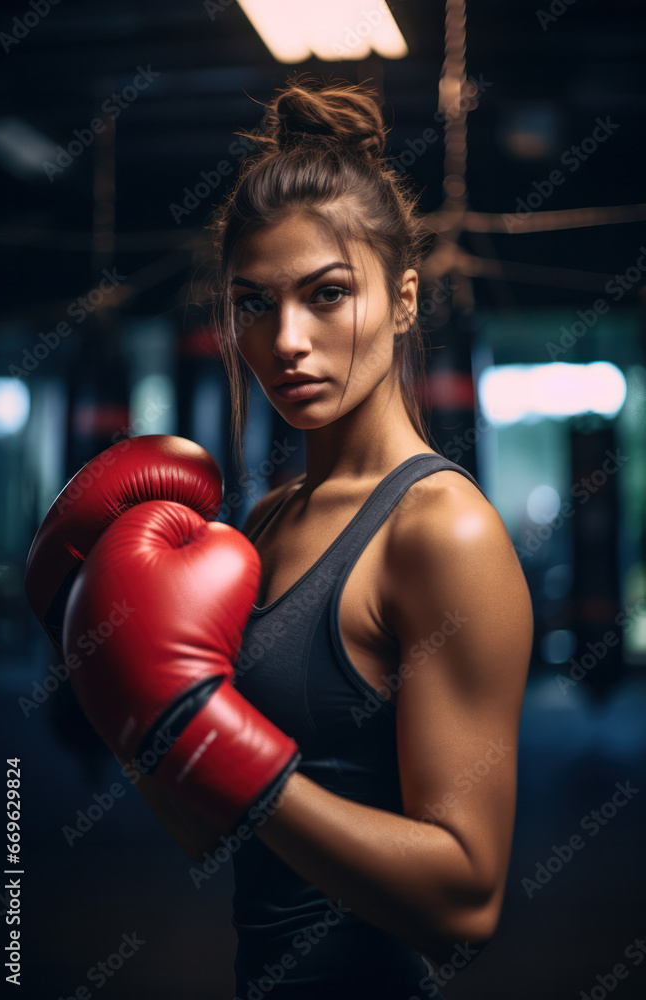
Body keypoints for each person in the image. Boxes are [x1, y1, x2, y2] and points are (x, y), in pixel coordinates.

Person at [202, 74, 534, 998]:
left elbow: (465, 902)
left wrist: (232, 759)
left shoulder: (442, 533)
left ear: (403, 299)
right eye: (254, 304)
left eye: (327, 294)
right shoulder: (265, 523)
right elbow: (209, 825)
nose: (287, 340)